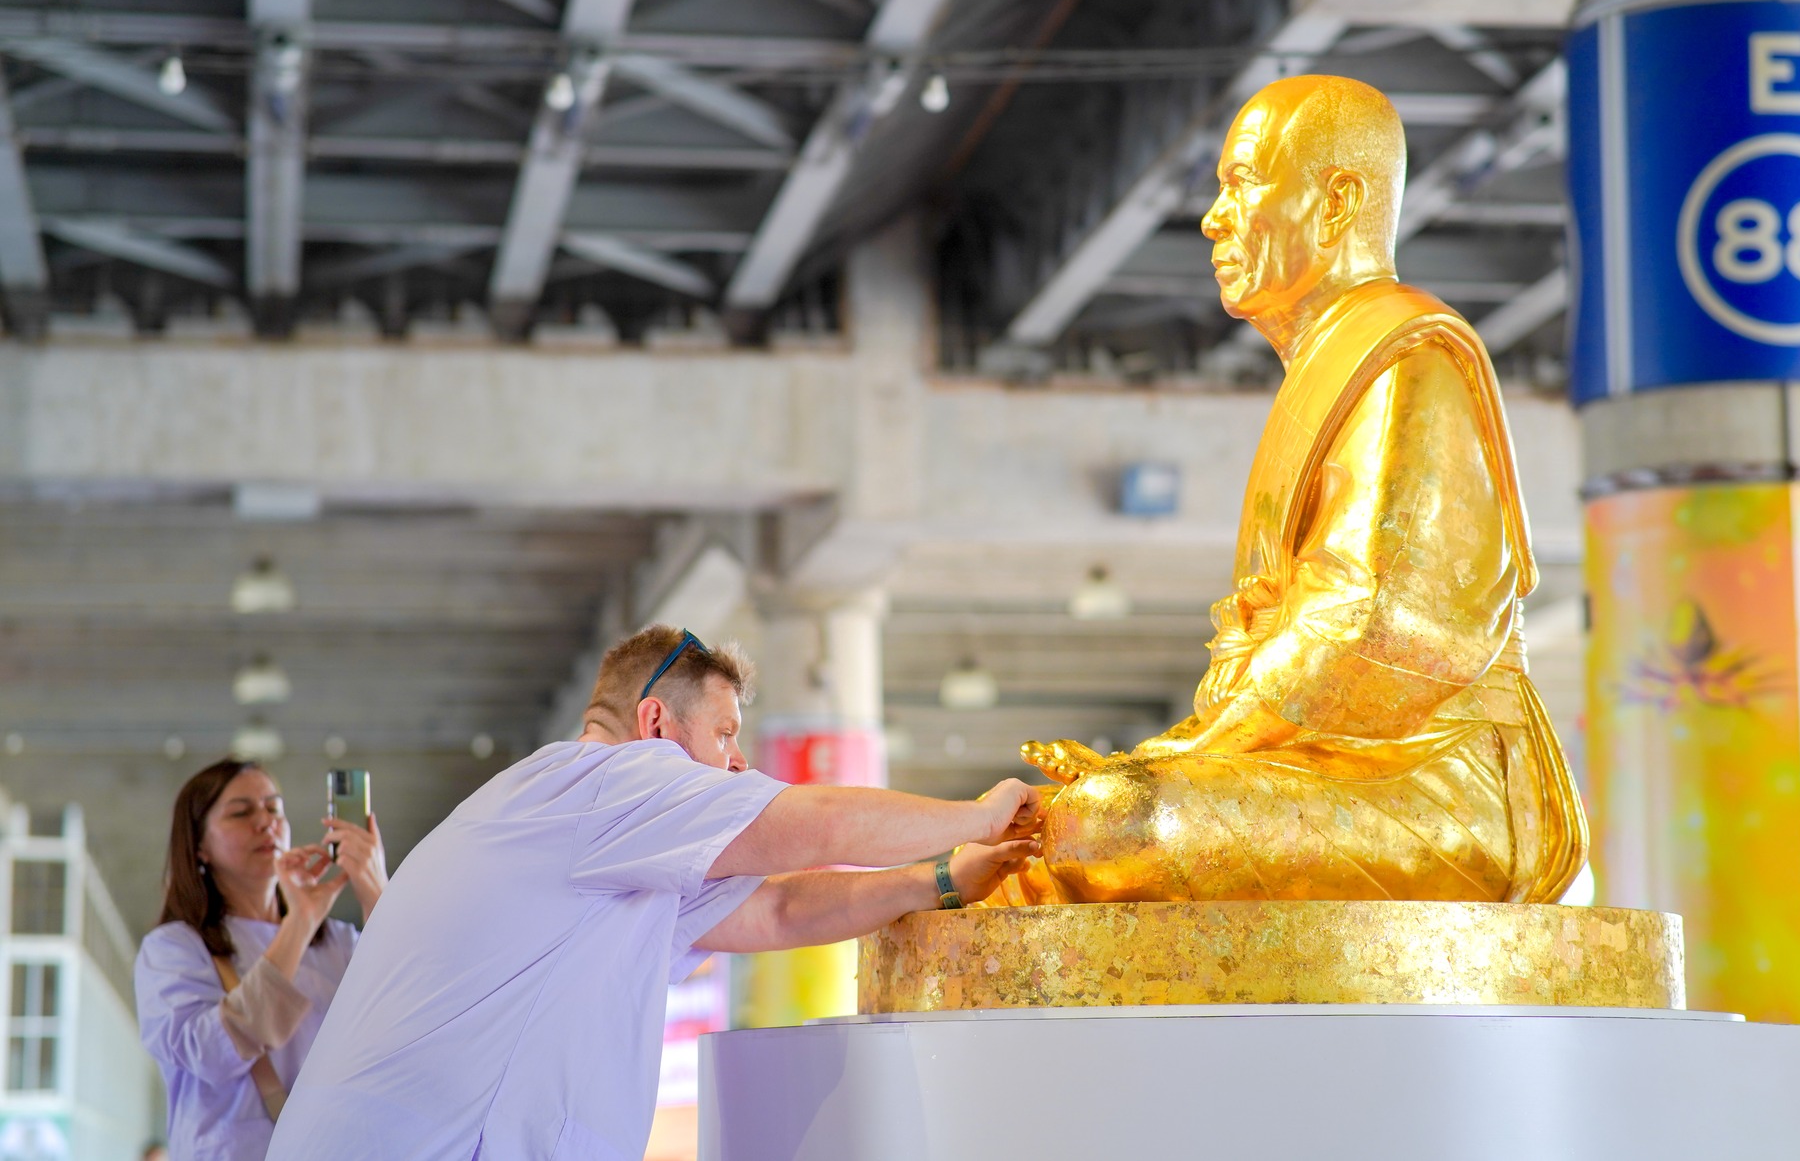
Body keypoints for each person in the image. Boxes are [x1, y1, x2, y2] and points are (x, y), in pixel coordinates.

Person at [996, 73, 1585, 905]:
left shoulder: (1407, 360)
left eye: (1241, 182)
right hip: (1329, 766)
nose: (1214, 217)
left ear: (1338, 201)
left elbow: (1381, 623)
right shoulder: (1336, 364)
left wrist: (1197, 750)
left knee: (1121, 825)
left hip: (1437, 782)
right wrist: (1194, 747)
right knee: (1032, 848)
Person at [269, 627, 1039, 1161]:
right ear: (655, 722)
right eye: (726, 734)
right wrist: (976, 813)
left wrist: (941, 878)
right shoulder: (607, 781)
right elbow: (816, 823)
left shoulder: (591, 833)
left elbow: (777, 907)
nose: (737, 764)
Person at [134, 759, 386, 1160]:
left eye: (274, 809)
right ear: (200, 846)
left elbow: (399, 1017)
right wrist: (299, 921)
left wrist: (376, 893)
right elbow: (212, 1056)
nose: (266, 823)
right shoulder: (174, 949)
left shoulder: (336, 942)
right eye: (241, 812)